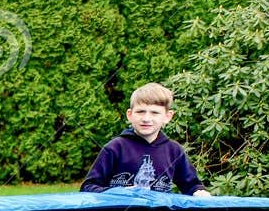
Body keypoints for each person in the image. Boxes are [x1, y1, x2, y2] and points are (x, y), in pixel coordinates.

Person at [80, 82, 212, 196]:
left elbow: (191, 185)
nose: (146, 119)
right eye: (140, 112)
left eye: (155, 113)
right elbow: (88, 187)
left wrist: (199, 192)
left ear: (168, 116)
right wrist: (118, 193)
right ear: (130, 115)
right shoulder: (115, 148)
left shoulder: (174, 150)